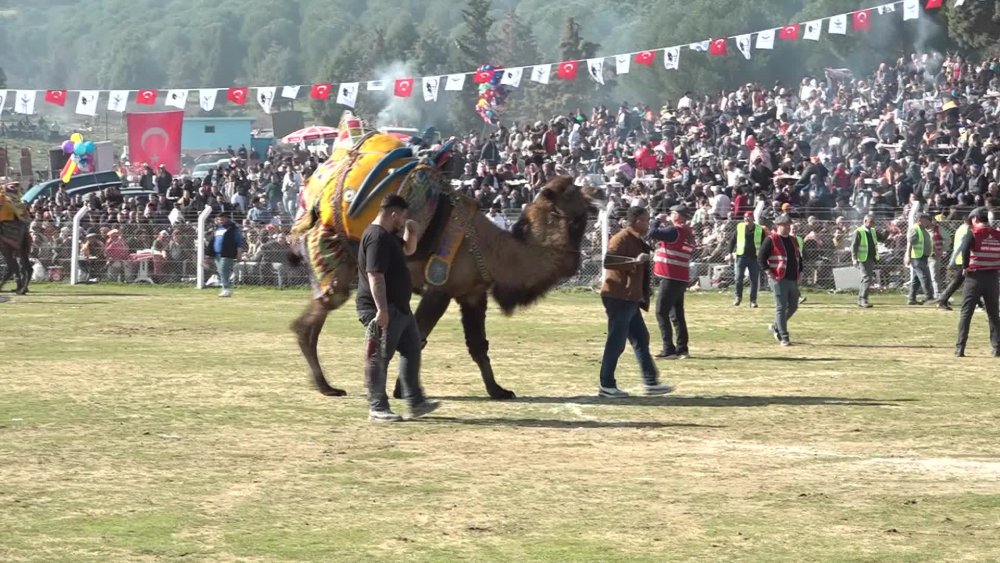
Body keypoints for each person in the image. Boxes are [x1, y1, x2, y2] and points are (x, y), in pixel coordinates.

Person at [356, 194, 440, 422]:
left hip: (400, 308)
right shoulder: (376, 237)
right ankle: (377, 407)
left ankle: (415, 402)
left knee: (412, 350)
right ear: (394, 214)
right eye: (403, 216)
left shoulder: (389, 236)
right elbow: (375, 275)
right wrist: (381, 310)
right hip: (383, 310)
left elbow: (409, 250)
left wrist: (411, 231)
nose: (404, 220)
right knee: (379, 357)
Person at [598, 206, 675, 398]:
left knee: (641, 338)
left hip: (629, 298)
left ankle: (651, 382)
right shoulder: (621, 238)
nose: (649, 224)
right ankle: (607, 384)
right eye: (646, 220)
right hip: (618, 297)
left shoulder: (635, 239)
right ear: (637, 221)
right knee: (616, 341)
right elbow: (608, 261)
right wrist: (634, 261)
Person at [954, 207, 1000, 358]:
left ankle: (960, 348)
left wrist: (965, 267)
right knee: (993, 313)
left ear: (975, 219)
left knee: (966, 313)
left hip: (974, 277)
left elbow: (965, 251)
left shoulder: (973, 233)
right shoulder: (997, 234)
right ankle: (997, 348)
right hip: (992, 277)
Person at [651, 204, 695, 360]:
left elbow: (652, 233)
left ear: (679, 216)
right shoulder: (687, 232)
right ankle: (682, 348)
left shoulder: (674, 230)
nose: (670, 215)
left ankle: (668, 349)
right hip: (680, 276)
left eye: (672, 213)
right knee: (677, 314)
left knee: (661, 312)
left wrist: (656, 220)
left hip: (671, 276)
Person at [758, 214, 802, 346]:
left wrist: (800, 272)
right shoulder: (771, 239)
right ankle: (784, 336)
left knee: (793, 306)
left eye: (789, 225)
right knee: (781, 307)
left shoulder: (793, 240)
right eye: (785, 225)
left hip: (792, 277)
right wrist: (768, 272)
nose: (788, 228)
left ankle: (777, 325)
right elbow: (761, 258)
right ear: (778, 226)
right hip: (778, 277)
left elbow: (799, 257)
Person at [729, 211, 765, 307]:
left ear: (753, 218)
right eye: (745, 217)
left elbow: (765, 244)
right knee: (738, 278)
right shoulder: (740, 227)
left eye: (749, 217)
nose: (747, 219)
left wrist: (764, 256)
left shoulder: (759, 229)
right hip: (741, 257)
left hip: (754, 258)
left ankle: (753, 301)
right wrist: (729, 253)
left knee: (754, 280)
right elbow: (732, 240)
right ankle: (738, 297)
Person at [936, 216, 972, 311]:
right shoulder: (967, 230)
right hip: (964, 260)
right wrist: (952, 260)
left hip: (961, 259)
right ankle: (942, 300)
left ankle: (943, 300)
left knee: (962, 282)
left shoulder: (960, 228)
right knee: (961, 282)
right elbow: (960, 246)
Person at [207, 211, 243, 298]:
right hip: (217, 254)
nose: (220, 221)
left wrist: (239, 254)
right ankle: (225, 288)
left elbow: (239, 242)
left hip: (227, 254)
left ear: (227, 219)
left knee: (223, 270)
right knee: (220, 271)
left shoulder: (233, 229)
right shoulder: (217, 229)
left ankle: (226, 289)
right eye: (219, 219)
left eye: (222, 219)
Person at [905, 213, 935, 305]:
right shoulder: (915, 229)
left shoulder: (923, 230)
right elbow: (910, 243)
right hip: (917, 258)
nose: (928, 223)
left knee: (916, 280)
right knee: (925, 277)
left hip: (922, 257)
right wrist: (908, 256)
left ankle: (911, 298)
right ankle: (929, 297)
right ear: (921, 219)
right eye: (927, 220)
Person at [851, 214, 879, 308]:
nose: (872, 224)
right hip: (862, 258)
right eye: (870, 222)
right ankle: (863, 299)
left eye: (873, 222)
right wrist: (854, 259)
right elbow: (854, 246)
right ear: (865, 221)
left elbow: (879, 239)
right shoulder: (859, 231)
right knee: (867, 278)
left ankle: (861, 299)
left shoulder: (872, 231)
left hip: (870, 258)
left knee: (865, 279)